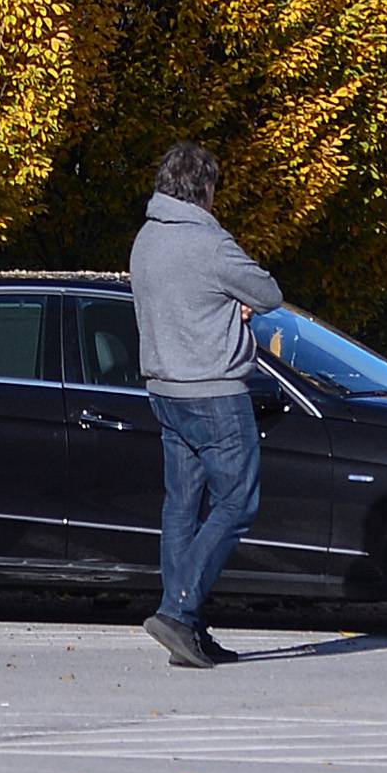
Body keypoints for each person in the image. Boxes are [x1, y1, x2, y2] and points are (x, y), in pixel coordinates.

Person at [128, 141, 283, 671]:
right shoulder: (209, 243)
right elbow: (268, 292)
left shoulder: (147, 238)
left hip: (164, 389)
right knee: (238, 503)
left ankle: (186, 629)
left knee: (181, 506)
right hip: (214, 390)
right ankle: (177, 611)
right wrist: (234, 308)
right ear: (206, 188)